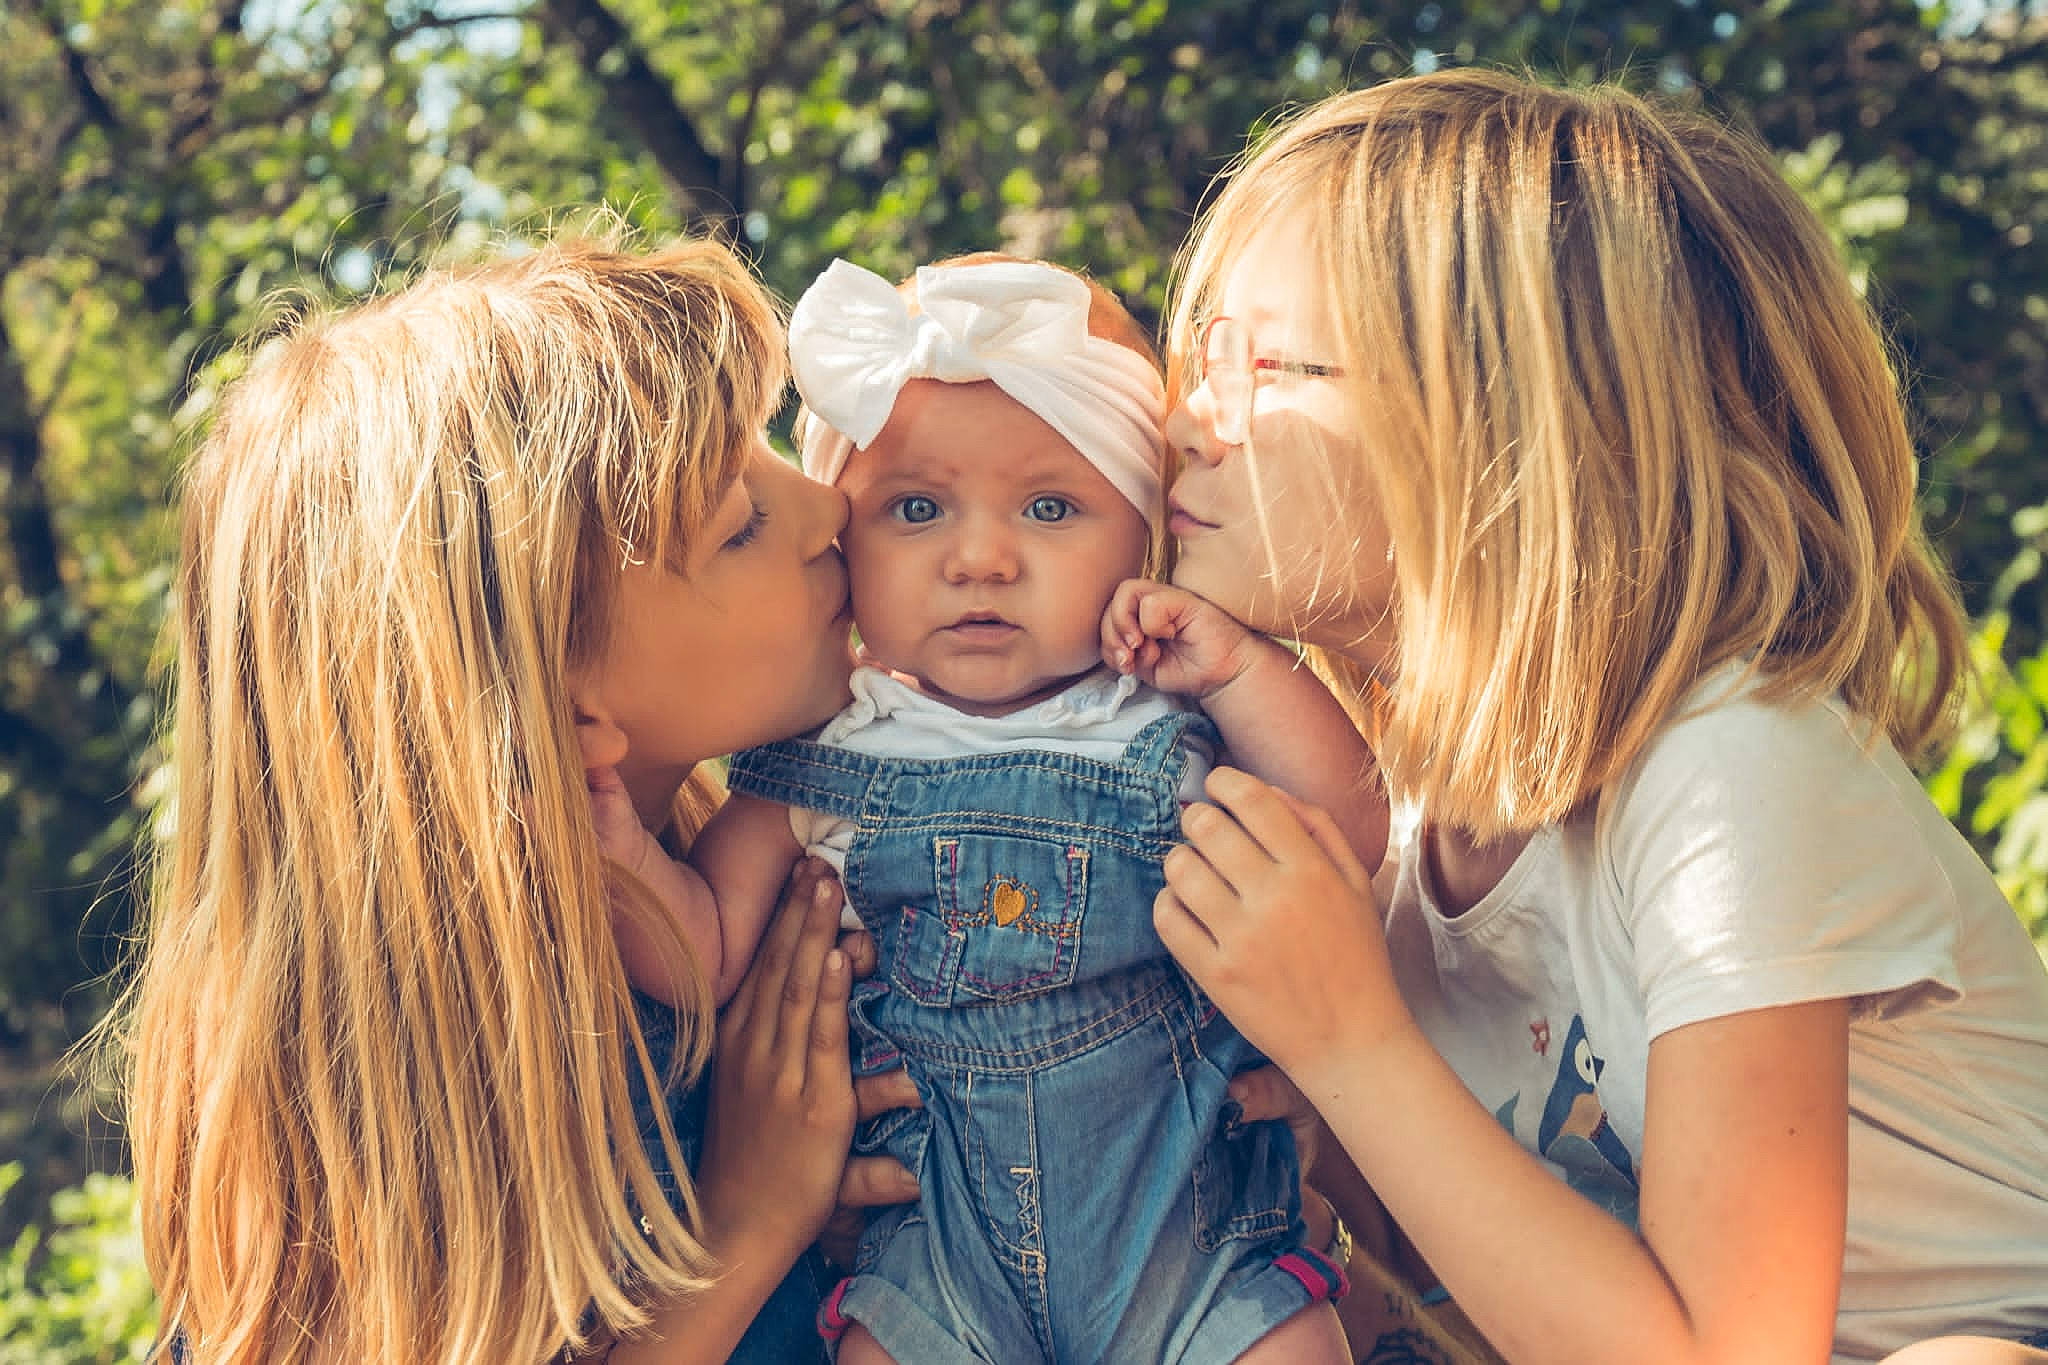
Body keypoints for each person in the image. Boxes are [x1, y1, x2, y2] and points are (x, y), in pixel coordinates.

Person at [1147, 67, 2048, 1365]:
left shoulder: (1731, 770)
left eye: (1259, 365)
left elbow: (1731, 1352)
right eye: (1194, 363)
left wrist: (1351, 1041)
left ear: (1498, 427)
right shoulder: (1398, 836)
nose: (1188, 419)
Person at [117, 235, 920, 1365]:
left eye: (774, 448)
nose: (825, 509)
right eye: (739, 522)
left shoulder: (764, 887)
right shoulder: (403, 1136)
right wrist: (749, 1224)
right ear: (561, 709)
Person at [598, 252, 1385, 1362]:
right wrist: (621, 853)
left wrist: (1241, 673)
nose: (979, 559)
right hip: (934, 1270)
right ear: (847, 540)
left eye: (1050, 507)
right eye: (915, 509)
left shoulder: (1166, 710)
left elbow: (1345, 833)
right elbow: (709, 948)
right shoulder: (823, 753)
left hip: (1194, 1245)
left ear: (1142, 533)